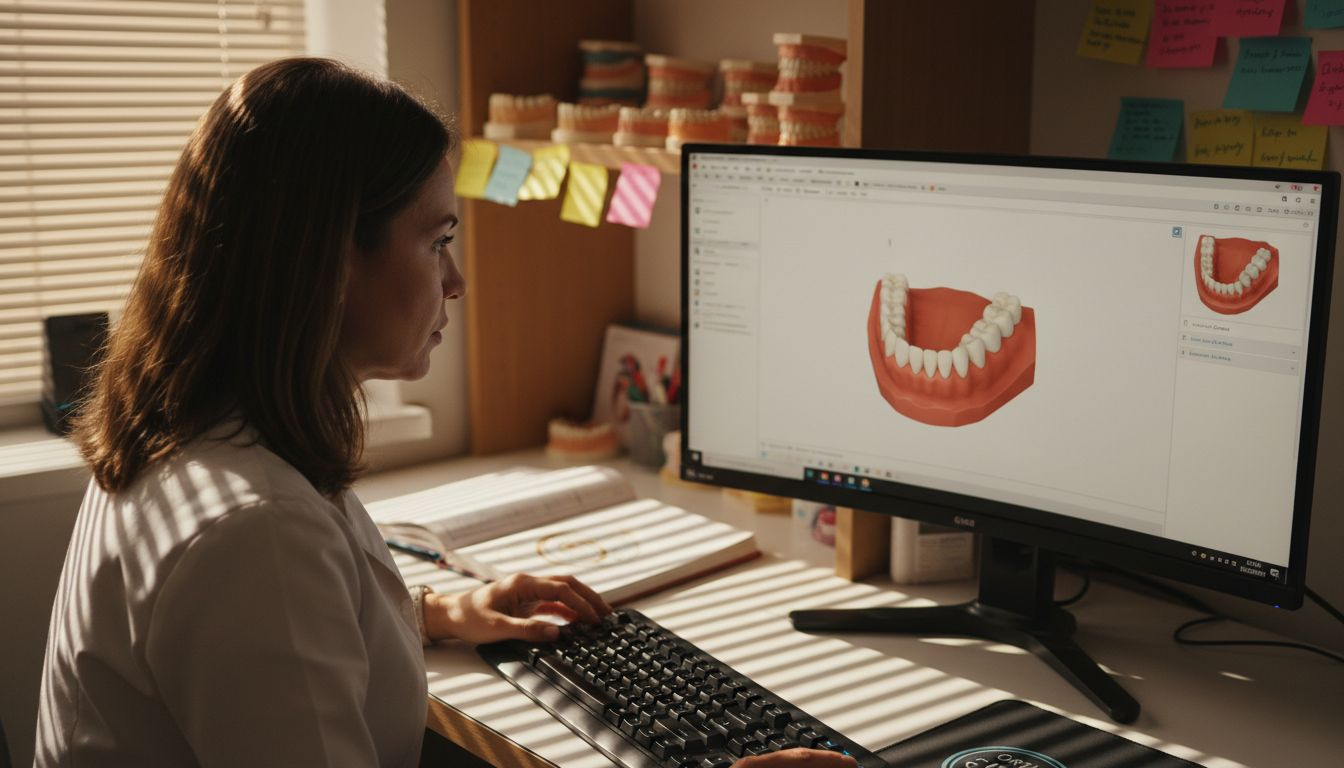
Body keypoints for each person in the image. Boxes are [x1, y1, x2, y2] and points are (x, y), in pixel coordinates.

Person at [33, 58, 857, 768]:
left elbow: (280, 648)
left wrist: (436, 613)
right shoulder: (254, 531)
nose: (456, 281)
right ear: (329, 262)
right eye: (436, 241)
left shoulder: (200, 431)